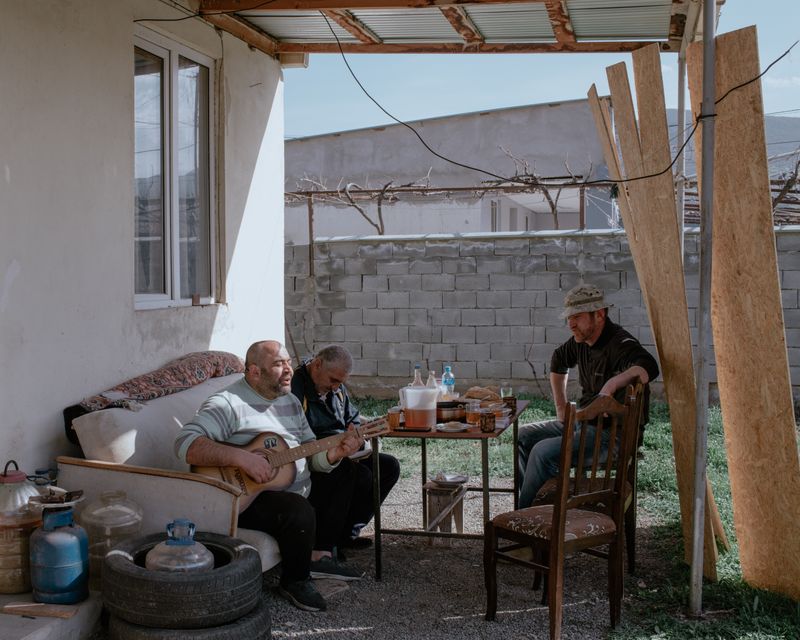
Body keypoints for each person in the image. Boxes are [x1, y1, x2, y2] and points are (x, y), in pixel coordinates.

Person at [174, 340, 364, 612]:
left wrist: (336, 453)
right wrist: (242, 458)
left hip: (292, 484)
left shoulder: (290, 402)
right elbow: (186, 444)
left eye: (288, 362)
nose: (289, 370)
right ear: (254, 372)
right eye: (278, 364)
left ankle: (320, 555)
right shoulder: (227, 403)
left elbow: (310, 453)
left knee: (347, 471)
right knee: (296, 509)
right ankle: (295, 581)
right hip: (241, 496)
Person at [518, 284, 660, 508]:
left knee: (542, 452)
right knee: (523, 436)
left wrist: (612, 384)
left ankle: (525, 518)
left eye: (577, 317)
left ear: (600, 315)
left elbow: (649, 367)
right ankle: (544, 507)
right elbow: (558, 360)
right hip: (583, 424)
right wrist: (561, 408)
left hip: (612, 437)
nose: (570, 324)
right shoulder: (581, 340)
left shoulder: (620, 343)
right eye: (569, 318)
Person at [292, 345, 401, 558]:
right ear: (317, 365)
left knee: (388, 466)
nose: (336, 388)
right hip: (315, 457)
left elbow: (351, 417)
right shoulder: (296, 389)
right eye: (333, 381)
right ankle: (324, 545)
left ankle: (347, 533)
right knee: (358, 474)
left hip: (345, 450)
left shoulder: (335, 387)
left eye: (340, 383)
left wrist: (355, 432)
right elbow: (299, 435)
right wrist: (338, 447)